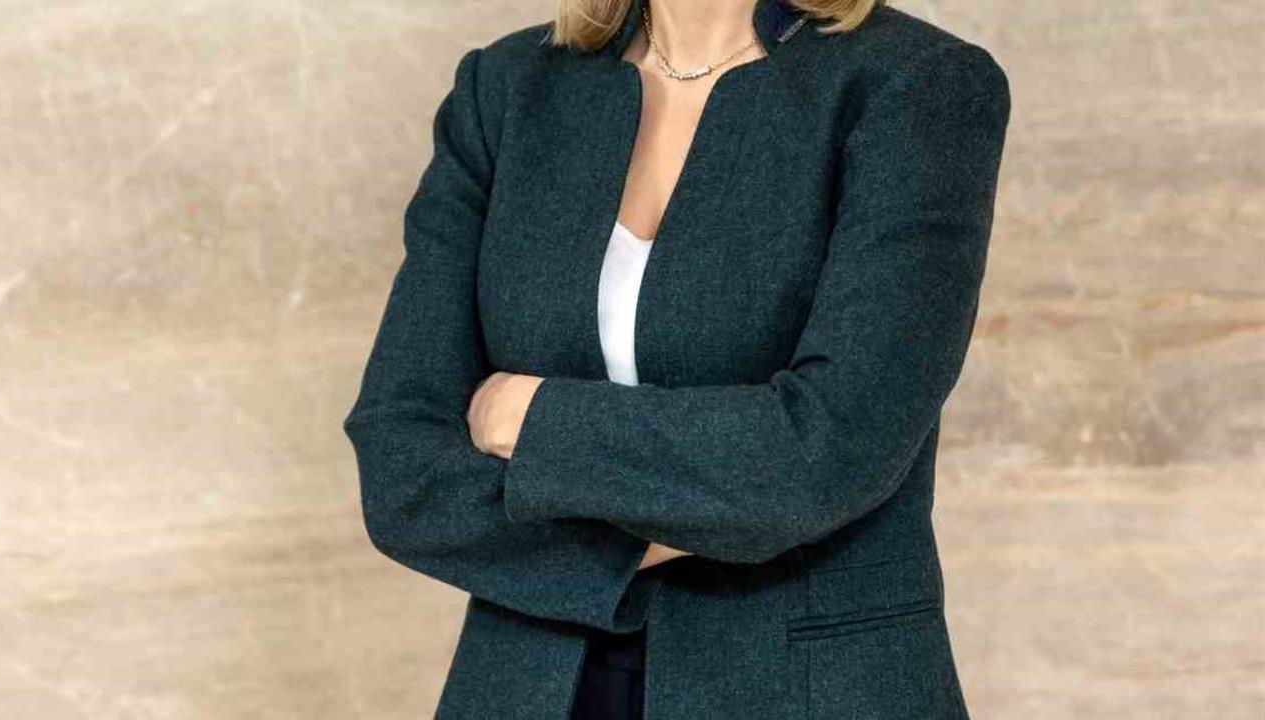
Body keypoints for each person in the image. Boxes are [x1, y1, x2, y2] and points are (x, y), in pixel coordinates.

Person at [342, 0, 1011, 717]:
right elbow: (400, 468)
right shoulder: (506, 87)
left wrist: (532, 418)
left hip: (807, 691)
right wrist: (677, 526)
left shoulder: (916, 86)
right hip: (524, 686)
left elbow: (823, 454)